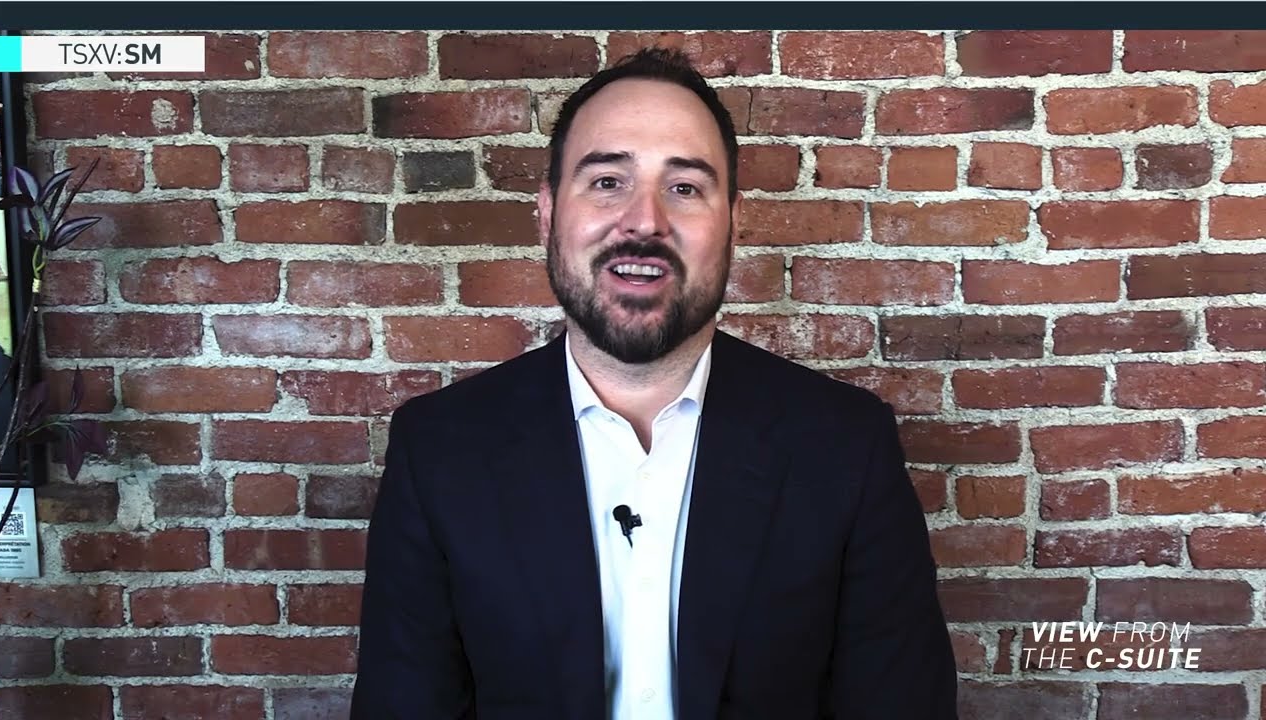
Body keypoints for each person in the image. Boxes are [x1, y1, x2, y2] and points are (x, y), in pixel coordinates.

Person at [352, 48, 958, 720]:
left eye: (685, 187)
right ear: (548, 214)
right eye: (608, 181)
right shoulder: (439, 451)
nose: (644, 221)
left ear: (733, 222)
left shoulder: (847, 447)